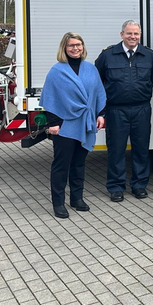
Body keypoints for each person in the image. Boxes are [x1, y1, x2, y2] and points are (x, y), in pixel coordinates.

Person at [40, 32, 106, 219]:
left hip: (85, 123)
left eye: (79, 45)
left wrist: (101, 114)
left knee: (79, 164)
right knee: (61, 165)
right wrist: (53, 124)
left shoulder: (90, 69)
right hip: (64, 125)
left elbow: (99, 93)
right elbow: (50, 98)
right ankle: (58, 203)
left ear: (83, 47)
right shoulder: (57, 71)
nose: (75, 48)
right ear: (64, 48)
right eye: (71, 46)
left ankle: (77, 198)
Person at [94, 20, 153, 202]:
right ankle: (116, 187)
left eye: (136, 34)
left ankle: (139, 186)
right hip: (116, 110)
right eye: (129, 33)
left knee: (141, 149)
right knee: (116, 150)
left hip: (141, 108)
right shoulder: (108, 55)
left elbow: (152, 78)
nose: (133, 37)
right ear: (121, 34)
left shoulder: (148, 55)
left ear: (140, 35)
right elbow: (98, 82)